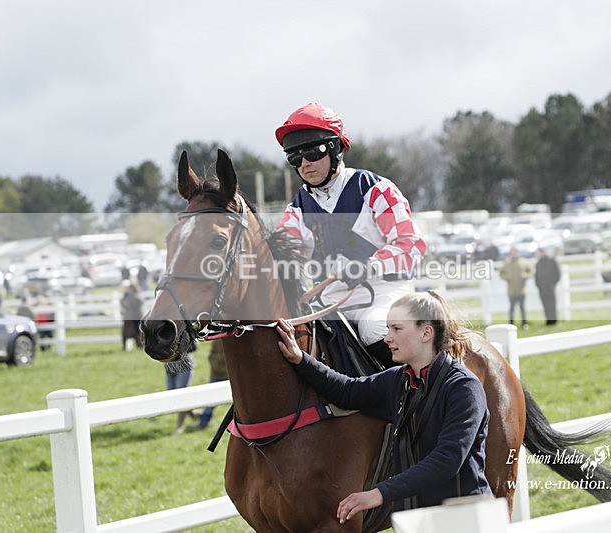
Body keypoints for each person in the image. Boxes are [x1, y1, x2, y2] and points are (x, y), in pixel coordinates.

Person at [275, 291, 491, 522]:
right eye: (388, 329)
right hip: (416, 520)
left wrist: (379, 493)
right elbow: (348, 392)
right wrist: (301, 359)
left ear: (426, 332)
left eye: (397, 329)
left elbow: (447, 460)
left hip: (466, 518)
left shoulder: (464, 387)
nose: (387, 338)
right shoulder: (398, 380)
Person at [275, 103, 427, 365]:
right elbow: (285, 258)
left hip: (383, 294)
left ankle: (412, 400)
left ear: (334, 149)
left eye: (312, 153)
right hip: (328, 304)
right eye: (295, 158)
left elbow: (411, 246)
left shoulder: (376, 189)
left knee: (375, 329)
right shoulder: (297, 209)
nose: (304, 164)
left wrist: (368, 266)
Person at [197, 341, 229, 430]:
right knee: (211, 401)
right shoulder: (217, 339)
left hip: (226, 374)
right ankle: (203, 422)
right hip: (217, 373)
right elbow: (213, 354)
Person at [499, 248, 533, 329]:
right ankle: (511, 324)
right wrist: (507, 277)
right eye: (512, 253)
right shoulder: (507, 263)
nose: (513, 254)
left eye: (515, 253)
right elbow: (501, 273)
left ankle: (524, 323)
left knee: (522, 308)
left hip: (522, 290)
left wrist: (525, 276)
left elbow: (531, 271)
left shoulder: (523, 262)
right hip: (511, 290)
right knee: (511, 308)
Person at [165, 353, 196, 434]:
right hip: (170, 367)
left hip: (184, 366)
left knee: (181, 397)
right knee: (172, 397)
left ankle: (180, 426)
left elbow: (193, 347)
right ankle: (193, 413)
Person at [534, 247, 561, 325]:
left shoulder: (552, 261)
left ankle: (553, 320)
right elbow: (536, 276)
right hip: (542, 288)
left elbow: (557, 274)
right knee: (545, 304)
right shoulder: (538, 263)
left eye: (543, 251)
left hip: (550, 287)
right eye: (540, 252)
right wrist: (538, 285)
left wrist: (553, 284)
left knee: (551, 304)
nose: (542, 253)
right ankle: (548, 319)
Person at [120, 282, 144, 351]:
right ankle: (125, 347)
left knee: (137, 332)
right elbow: (123, 304)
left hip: (136, 317)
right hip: (128, 318)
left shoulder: (136, 296)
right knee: (125, 333)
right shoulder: (125, 296)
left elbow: (137, 304)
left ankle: (139, 345)